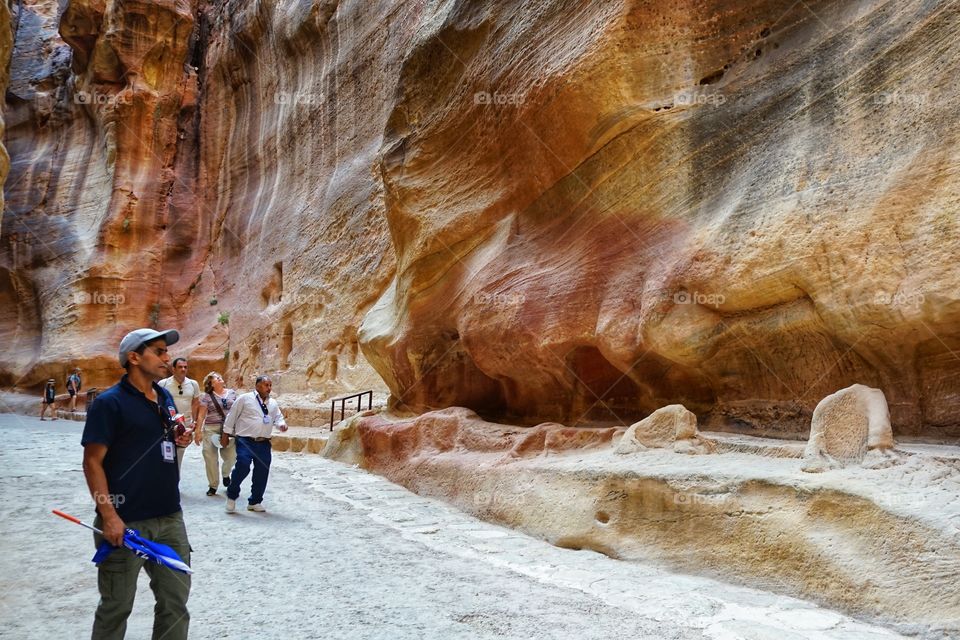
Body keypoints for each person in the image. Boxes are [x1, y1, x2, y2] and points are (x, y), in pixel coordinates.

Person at [81, 328, 192, 640]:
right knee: (116, 608)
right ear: (133, 358)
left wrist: (179, 438)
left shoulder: (165, 396)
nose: (167, 358)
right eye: (158, 351)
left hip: (170, 517)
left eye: (166, 352)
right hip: (124, 523)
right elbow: (92, 462)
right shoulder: (109, 403)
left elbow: (164, 440)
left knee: (175, 603)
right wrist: (110, 516)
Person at [222, 375, 287, 513]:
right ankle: (232, 495)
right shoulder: (245, 399)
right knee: (243, 466)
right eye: (266, 385)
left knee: (262, 471)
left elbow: (278, 418)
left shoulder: (273, 403)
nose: (269, 388)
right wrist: (225, 434)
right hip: (245, 440)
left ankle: (255, 501)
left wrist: (281, 425)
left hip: (263, 442)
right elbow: (231, 416)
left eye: (270, 385)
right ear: (257, 386)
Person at [196, 372, 238, 496]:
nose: (221, 379)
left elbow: (238, 410)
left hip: (229, 429)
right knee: (210, 457)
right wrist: (198, 431)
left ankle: (226, 473)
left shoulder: (232, 393)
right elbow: (201, 414)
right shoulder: (206, 397)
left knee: (231, 456)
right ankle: (213, 485)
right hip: (211, 429)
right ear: (211, 384)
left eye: (220, 377)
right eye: (217, 378)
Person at [158, 357, 201, 469]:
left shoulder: (193, 384)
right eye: (180, 367)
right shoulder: (163, 383)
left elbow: (195, 403)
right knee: (166, 453)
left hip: (184, 424)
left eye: (185, 367)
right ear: (173, 369)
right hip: (167, 424)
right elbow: (157, 403)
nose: (183, 369)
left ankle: (175, 480)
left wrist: (194, 421)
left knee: (180, 453)